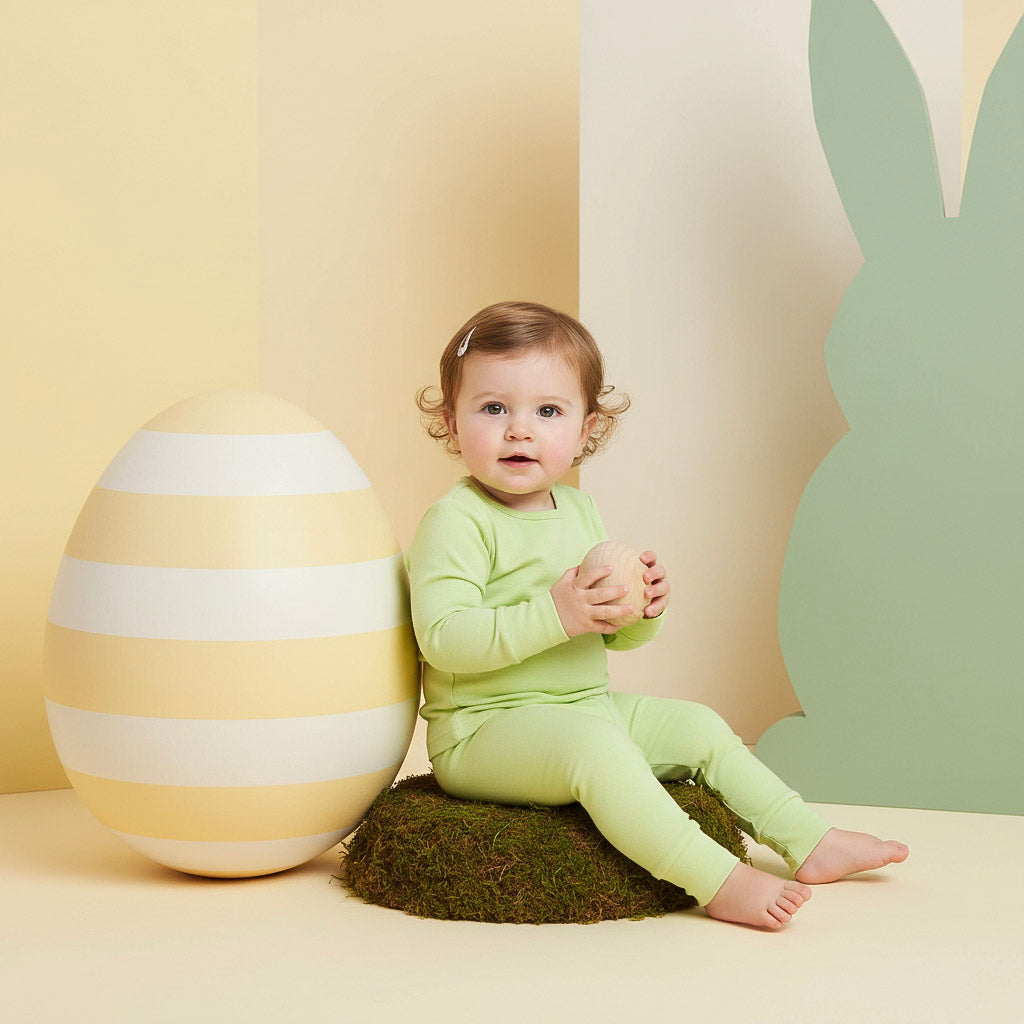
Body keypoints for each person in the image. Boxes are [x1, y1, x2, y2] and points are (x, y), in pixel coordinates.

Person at [408, 300, 908, 929]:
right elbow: (444, 639)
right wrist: (559, 612)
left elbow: (614, 641)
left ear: (587, 429)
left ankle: (807, 839)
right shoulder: (457, 521)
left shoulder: (580, 511)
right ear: (451, 424)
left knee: (699, 726)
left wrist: (641, 607)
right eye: (492, 408)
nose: (519, 430)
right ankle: (716, 879)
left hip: (580, 702)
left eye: (548, 411)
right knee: (597, 750)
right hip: (485, 732)